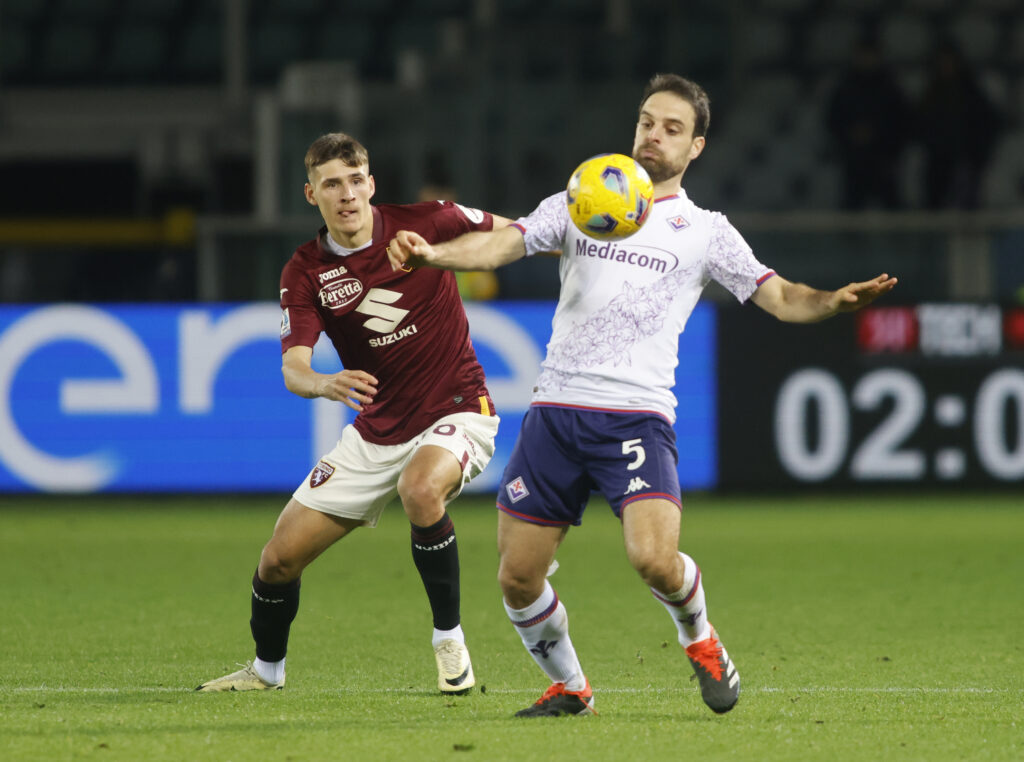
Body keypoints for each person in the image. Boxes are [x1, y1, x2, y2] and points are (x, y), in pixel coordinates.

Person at [388, 73, 897, 717]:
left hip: (636, 415)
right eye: (648, 122)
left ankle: (702, 640)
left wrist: (833, 302)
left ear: (697, 148)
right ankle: (571, 688)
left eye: (673, 128)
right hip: (555, 410)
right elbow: (502, 243)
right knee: (518, 577)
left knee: (654, 559)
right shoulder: (582, 196)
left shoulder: (705, 230)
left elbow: (780, 296)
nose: (655, 135)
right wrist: (435, 255)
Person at [197, 132, 512, 695]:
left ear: (372, 183)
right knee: (277, 561)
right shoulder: (305, 272)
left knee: (421, 489)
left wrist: (444, 255)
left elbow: (515, 235)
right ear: (310, 194)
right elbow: (294, 369)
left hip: (458, 409)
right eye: (331, 184)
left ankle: (450, 642)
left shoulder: (431, 220)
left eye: (354, 180)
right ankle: (266, 673)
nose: (346, 194)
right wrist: (323, 382)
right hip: (376, 432)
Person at [825, 35, 910, 209]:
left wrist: (878, 135)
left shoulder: (890, 87)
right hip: (854, 160)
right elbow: (833, 120)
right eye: (862, 54)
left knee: (893, 209)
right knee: (851, 210)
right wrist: (851, 134)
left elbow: (902, 122)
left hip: (884, 159)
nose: (866, 59)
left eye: (870, 54)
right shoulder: (845, 87)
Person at [916, 39, 1002, 209]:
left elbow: (989, 123)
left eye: (950, 61)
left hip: (965, 161)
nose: (946, 66)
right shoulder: (931, 93)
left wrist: (977, 154)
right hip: (938, 161)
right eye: (942, 62)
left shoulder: (971, 92)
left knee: (966, 207)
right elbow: (920, 125)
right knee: (935, 207)